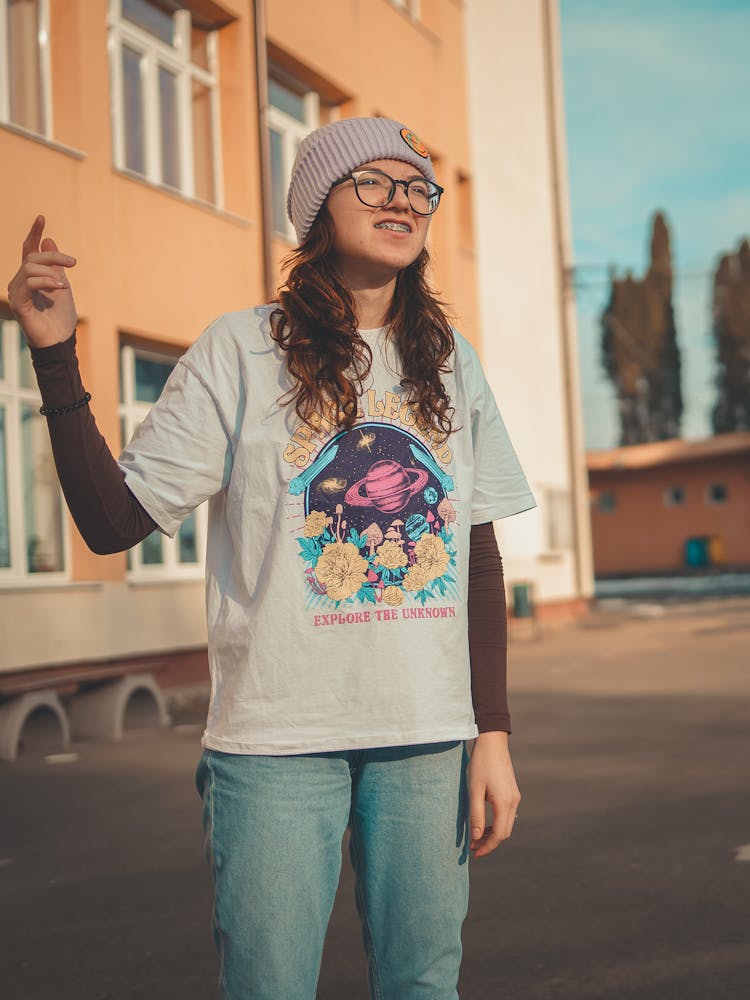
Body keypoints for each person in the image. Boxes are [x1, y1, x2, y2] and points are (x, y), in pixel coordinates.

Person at [9, 116, 535, 999]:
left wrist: (494, 735)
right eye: (371, 182)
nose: (400, 200)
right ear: (317, 209)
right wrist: (56, 356)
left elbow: (477, 557)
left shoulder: (450, 365)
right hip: (275, 743)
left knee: (423, 986)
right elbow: (111, 522)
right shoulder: (239, 349)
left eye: (416, 187)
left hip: (426, 738)